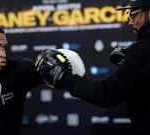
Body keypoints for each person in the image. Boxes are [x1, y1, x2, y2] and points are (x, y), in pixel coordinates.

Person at [35, 0, 150, 135]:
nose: (130, 22)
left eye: (133, 14)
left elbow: (107, 94)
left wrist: (66, 78)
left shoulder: (143, 48)